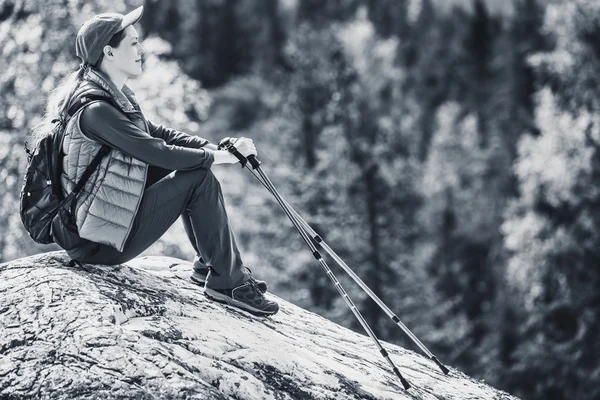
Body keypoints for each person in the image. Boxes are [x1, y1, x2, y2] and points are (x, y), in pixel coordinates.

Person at [34, 6, 278, 316]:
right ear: (109, 53)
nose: (140, 49)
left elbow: (158, 134)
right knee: (199, 178)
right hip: (95, 241)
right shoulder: (96, 111)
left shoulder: (112, 93)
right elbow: (155, 151)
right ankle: (228, 282)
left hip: (103, 217)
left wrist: (214, 147)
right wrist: (219, 158)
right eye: (133, 43)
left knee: (195, 168)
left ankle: (213, 266)